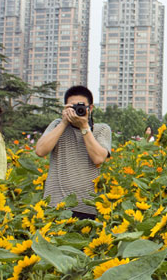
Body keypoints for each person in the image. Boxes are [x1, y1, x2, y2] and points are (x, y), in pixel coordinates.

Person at [34, 85, 112, 218]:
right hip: (56, 205)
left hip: (88, 207)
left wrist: (84, 127)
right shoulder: (57, 125)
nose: (77, 111)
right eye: (72, 107)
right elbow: (40, 151)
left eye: (81, 107)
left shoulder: (101, 129)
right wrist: (64, 123)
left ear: (90, 108)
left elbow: (98, 158)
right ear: (65, 108)